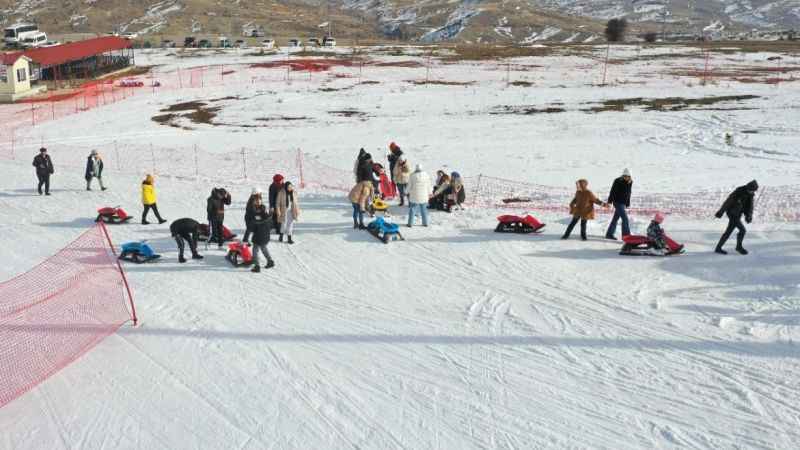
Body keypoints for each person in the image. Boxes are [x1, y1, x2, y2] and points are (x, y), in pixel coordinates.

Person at [715, 180, 758, 255]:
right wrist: (720, 212)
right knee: (742, 230)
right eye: (752, 190)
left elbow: (749, 207)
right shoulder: (738, 192)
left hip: (738, 214)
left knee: (729, 231)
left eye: (754, 191)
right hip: (732, 214)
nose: (753, 192)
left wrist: (749, 216)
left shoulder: (750, 195)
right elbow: (728, 201)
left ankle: (718, 248)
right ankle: (738, 247)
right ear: (748, 188)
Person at [248, 195, 275, 272]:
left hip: (260, 234)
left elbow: (257, 222)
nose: (257, 201)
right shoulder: (262, 209)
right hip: (264, 233)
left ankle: (257, 266)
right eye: (256, 200)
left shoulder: (258, 211)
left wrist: (252, 226)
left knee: (255, 249)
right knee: (263, 247)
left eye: (259, 200)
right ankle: (270, 261)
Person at [605, 168, 633, 240]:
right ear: (623, 175)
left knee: (615, 219)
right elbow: (612, 191)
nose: (626, 177)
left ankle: (609, 234)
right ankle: (626, 236)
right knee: (625, 219)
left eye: (628, 176)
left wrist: (627, 203)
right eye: (625, 176)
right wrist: (609, 201)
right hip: (617, 202)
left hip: (623, 203)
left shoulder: (630, 182)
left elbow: (628, 193)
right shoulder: (617, 181)